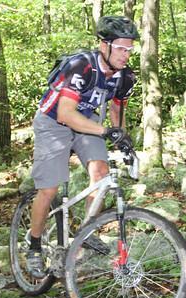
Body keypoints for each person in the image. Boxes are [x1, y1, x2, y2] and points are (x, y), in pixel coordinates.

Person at [27, 16, 139, 278]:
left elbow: (117, 107)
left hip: (87, 120)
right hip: (54, 119)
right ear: (104, 46)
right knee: (49, 188)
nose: (126, 55)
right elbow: (66, 113)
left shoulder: (125, 77)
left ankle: (85, 232)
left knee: (101, 174)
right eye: (121, 48)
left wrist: (121, 136)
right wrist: (105, 131)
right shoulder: (81, 66)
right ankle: (33, 244)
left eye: (130, 49)